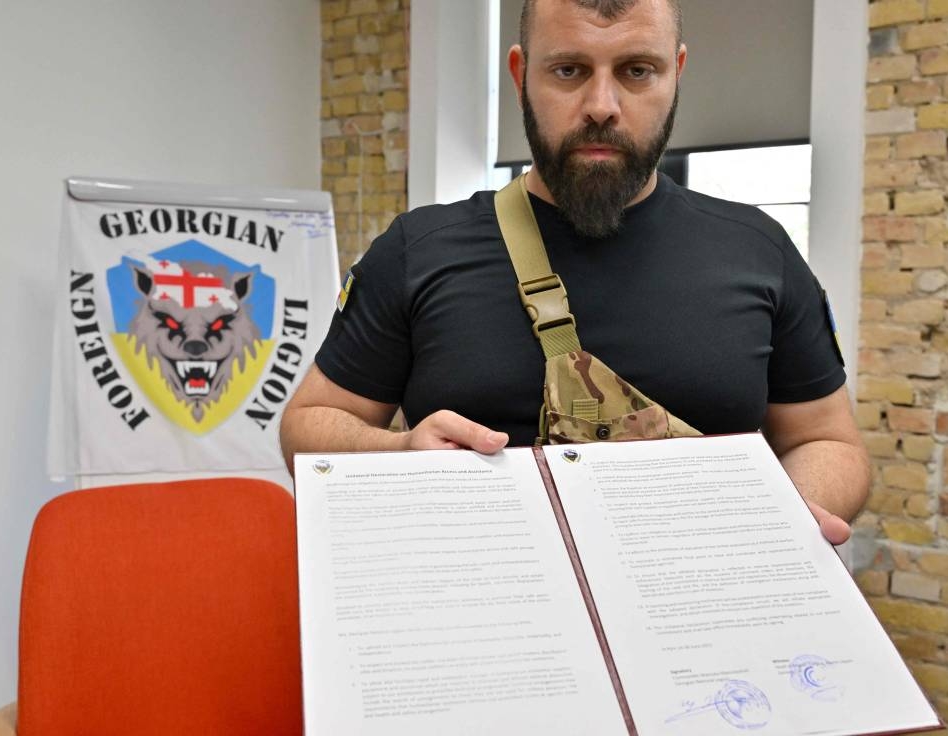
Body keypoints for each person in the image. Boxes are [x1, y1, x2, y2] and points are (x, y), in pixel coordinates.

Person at [280, 0, 869, 544]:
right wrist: (402, 454)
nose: (601, 107)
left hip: (700, 620)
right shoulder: (419, 249)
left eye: (638, 70)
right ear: (521, 75)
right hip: (482, 621)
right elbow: (308, 426)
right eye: (568, 71)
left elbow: (827, 440)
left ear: (677, 72)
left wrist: (786, 510)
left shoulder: (758, 249)